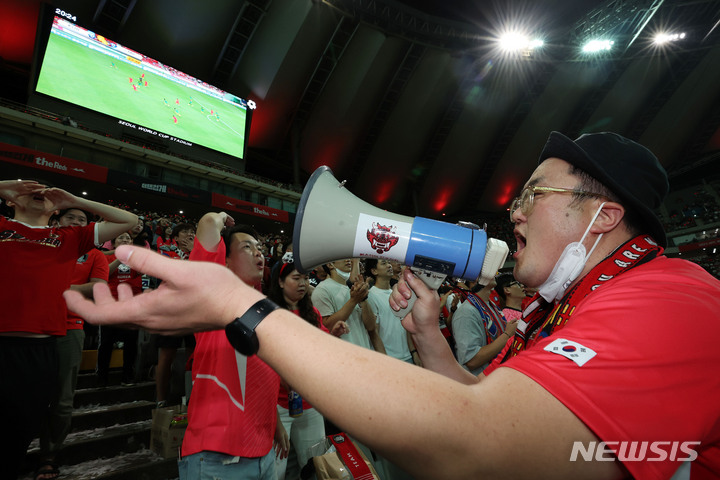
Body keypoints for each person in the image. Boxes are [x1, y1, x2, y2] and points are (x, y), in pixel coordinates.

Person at [65, 132, 720, 479]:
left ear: (604, 217)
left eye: (533, 195)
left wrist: (244, 307)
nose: (513, 212)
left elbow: (481, 445)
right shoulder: (573, 307)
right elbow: (503, 419)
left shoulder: (670, 300)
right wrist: (432, 342)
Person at [0, 179, 137, 480]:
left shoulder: (68, 238)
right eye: (28, 192)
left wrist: (75, 199)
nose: (39, 194)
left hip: (42, 347)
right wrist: (4, 186)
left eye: (45, 194)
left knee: (23, 425)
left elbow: (129, 220)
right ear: (10, 200)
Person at [179, 211, 284, 479]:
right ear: (222, 263)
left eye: (260, 247)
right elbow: (206, 222)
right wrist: (220, 217)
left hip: (264, 453)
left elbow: (259, 376)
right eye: (246, 247)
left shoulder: (264, 308)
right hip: (216, 457)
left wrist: (277, 425)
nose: (258, 252)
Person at [38, 208, 110, 478]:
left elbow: (95, 288)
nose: (78, 223)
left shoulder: (95, 255)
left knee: (62, 399)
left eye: (83, 220)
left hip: (70, 327)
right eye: (72, 218)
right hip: (30, 326)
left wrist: (54, 288)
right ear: (56, 222)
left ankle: (48, 455)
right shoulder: (41, 243)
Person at [267, 255, 348, 480]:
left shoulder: (312, 313)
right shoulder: (269, 314)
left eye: (305, 278)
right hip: (278, 405)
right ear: (281, 282)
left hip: (309, 404)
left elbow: (318, 349)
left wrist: (333, 334)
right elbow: (262, 359)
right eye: (296, 278)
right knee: (275, 470)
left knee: (316, 466)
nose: (303, 283)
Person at [155, 222, 197, 407]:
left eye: (192, 232)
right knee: (166, 356)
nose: (190, 234)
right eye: (185, 232)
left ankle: (193, 397)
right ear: (176, 238)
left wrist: (195, 254)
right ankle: (160, 400)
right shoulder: (166, 253)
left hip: (195, 312)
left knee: (193, 357)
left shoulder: (201, 254)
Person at [96, 232, 142, 387]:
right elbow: (104, 274)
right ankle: (102, 377)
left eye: (128, 238)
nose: (125, 240)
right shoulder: (105, 257)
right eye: (121, 237)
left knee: (131, 343)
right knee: (106, 343)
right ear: (114, 243)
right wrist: (119, 257)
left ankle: (127, 376)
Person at [450, 277, 517, 376]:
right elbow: (472, 361)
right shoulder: (466, 312)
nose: (494, 273)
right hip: (481, 383)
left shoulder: (491, 305)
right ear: (476, 279)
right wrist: (507, 335)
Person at [311, 259, 376, 350]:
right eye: (342, 257)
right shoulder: (322, 290)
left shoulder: (352, 288)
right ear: (330, 264)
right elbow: (326, 327)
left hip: (363, 351)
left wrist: (363, 298)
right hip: (343, 354)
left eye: (348, 256)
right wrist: (353, 301)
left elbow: (371, 326)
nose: (348, 259)